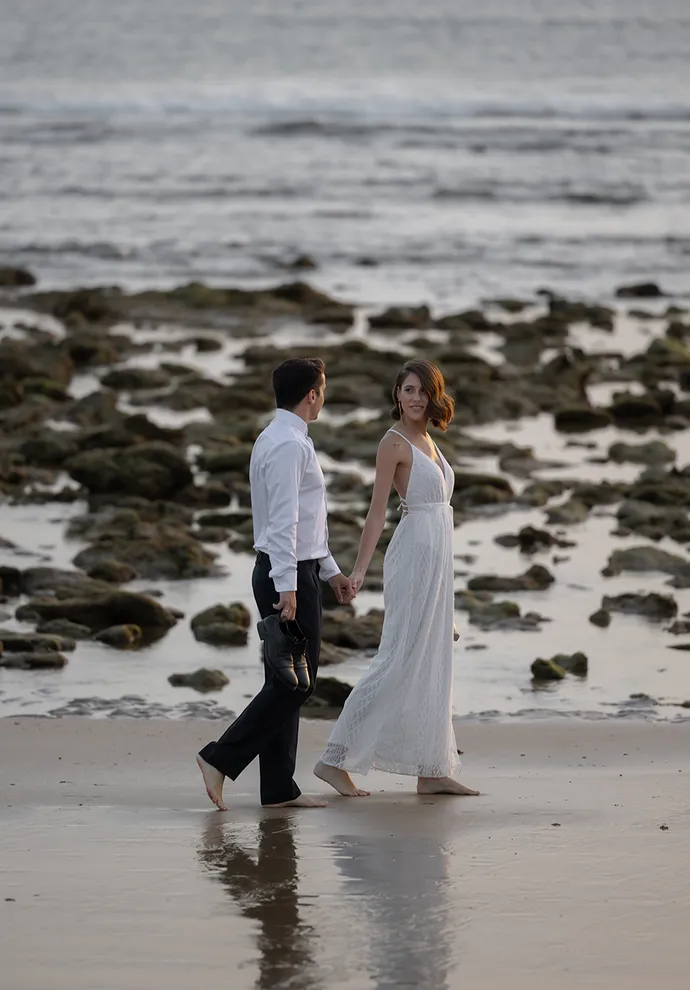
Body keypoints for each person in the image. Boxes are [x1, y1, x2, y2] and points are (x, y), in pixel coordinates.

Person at [314, 359, 479, 798]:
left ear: (434, 395)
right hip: (412, 558)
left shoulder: (428, 440)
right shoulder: (393, 443)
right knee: (398, 658)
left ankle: (432, 769)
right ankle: (333, 759)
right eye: (407, 390)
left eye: (422, 390)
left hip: (439, 560)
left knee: (435, 660)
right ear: (396, 394)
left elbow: (439, 514)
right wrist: (358, 572)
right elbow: (376, 512)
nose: (415, 397)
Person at [197, 358, 353, 810]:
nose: (323, 397)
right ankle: (219, 759)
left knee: (286, 681)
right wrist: (289, 586)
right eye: (322, 390)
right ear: (312, 394)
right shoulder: (288, 445)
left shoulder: (278, 437)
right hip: (285, 575)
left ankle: (279, 789)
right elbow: (284, 522)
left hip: (292, 570)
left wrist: (331, 572)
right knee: (296, 684)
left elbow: (305, 525)